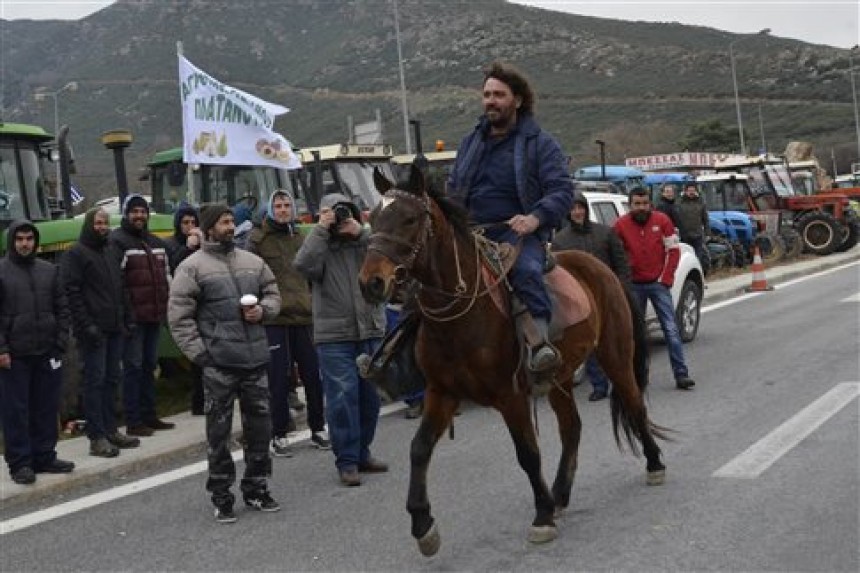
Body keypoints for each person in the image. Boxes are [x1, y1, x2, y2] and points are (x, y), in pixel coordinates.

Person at [446, 61, 573, 373]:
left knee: (527, 271)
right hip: (471, 232)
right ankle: (400, 356)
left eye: (499, 94)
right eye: (487, 94)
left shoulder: (541, 144)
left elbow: (562, 190)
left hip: (517, 234)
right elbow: (453, 188)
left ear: (517, 100)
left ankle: (540, 344)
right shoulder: (469, 143)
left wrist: (535, 218)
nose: (491, 100)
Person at [168, 203, 282, 523]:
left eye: (232, 221)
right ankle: (222, 495)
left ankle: (257, 487)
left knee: (260, 429)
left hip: (255, 360)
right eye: (223, 222)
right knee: (218, 435)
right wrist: (201, 355)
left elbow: (273, 294)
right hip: (219, 364)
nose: (230, 227)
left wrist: (264, 311)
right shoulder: (192, 267)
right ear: (207, 228)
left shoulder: (252, 262)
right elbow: (179, 317)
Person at [294, 193, 388, 487]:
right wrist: (321, 229)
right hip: (335, 336)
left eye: (343, 211)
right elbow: (303, 265)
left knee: (370, 398)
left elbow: (389, 253)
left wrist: (361, 233)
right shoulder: (319, 245)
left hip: (370, 329)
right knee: (342, 398)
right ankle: (346, 461)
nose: (339, 216)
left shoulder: (365, 242)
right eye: (333, 212)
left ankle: (362, 453)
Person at [249, 189, 329, 457]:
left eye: (287, 205)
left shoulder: (300, 237)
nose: (284, 210)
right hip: (275, 319)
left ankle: (318, 428)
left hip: (304, 317)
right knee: (278, 380)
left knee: (313, 376)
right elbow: (250, 276)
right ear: (270, 209)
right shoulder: (257, 239)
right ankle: (279, 433)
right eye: (278, 206)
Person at [0, 220, 75, 484]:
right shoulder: (2, 272)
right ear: (12, 241)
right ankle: (20, 463)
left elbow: (62, 307)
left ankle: (45, 456)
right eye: (19, 239)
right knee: (16, 411)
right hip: (14, 356)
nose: (24, 244)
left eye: (29, 239)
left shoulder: (48, 271)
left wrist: (60, 341)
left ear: (35, 241)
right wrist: (2, 350)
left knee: (46, 406)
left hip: (47, 351)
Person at [62, 207, 140, 457]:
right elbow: (72, 293)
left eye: (105, 222)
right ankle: (96, 436)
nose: (102, 227)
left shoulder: (109, 251)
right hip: (93, 331)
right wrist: (87, 326)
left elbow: (120, 286)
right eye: (97, 223)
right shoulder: (76, 253)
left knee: (111, 380)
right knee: (94, 383)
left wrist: (127, 317)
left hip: (114, 327)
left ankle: (111, 430)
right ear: (88, 224)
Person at [613, 187, 696, 390]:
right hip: (633, 286)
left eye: (644, 203)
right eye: (636, 204)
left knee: (670, 329)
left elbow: (673, 251)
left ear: (650, 203)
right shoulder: (619, 226)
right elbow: (615, 255)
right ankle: (638, 377)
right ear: (630, 205)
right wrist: (623, 282)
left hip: (658, 284)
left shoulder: (662, 221)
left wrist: (665, 279)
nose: (641, 208)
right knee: (634, 334)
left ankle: (681, 374)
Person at [552, 192, 631, 401]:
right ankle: (599, 385)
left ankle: (623, 382)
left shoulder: (606, 233)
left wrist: (622, 290)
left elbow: (621, 264)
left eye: (581, 208)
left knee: (619, 344)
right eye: (573, 209)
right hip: (581, 300)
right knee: (591, 344)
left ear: (586, 209)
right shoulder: (560, 241)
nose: (577, 212)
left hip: (611, 298)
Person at [110, 194, 175, 436]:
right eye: (134, 211)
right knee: (133, 367)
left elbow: (166, 277)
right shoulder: (117, 242)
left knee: (149, 365)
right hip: (133, 318)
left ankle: (150, 415)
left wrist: (168, 309)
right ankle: (133, 420)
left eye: (143, 211)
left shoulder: (157, 243)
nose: (139, 216)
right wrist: (125, 314)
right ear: (126, 214)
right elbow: (117, 283)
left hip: (154, 316)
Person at [164, 204, 205, 415]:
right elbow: (174, 267)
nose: (190, 227)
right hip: (185, 304)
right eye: (185, 223)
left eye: (193, 222)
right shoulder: (171, 245)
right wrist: (188, 247)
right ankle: (198, 402)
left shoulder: (203, 243)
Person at [676, 182, 711, 275]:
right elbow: (676, 218)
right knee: (685, 260)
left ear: (696, 191)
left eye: (693, 190)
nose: (691, 192)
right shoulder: (679, 203)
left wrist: (708, 233)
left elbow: (705, 219)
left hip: (697, 235)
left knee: (698, 258)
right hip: (684, 236)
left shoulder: (701, 202)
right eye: (689, 190)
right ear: (685, 191)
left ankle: (698, 277)